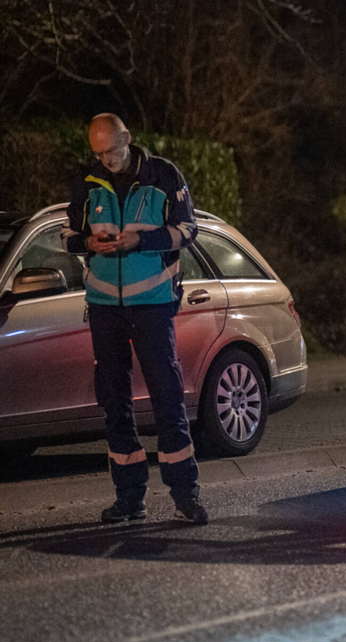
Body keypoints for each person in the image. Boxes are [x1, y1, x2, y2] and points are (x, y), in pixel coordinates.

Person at [62, 113, 208, 525]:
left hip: (153, 303)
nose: (106, 160)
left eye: (111, 150)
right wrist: (87, 242)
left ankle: (185, 495)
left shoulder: (163, 175)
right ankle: (129, 498)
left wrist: (141, 240)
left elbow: (188, 229)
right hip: (104, 306)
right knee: (115, 403)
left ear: (126, 138)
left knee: (167, 398)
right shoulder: (88, 182)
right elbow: (66, 234)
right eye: (98, 154)